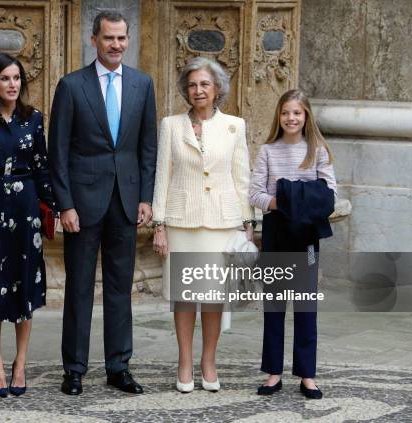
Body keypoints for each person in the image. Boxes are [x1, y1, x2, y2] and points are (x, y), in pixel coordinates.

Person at [48, 11, 157, 395]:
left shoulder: (143, 84)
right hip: (82, 202)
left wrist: (146, 196)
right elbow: (57, 151)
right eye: (109, 38)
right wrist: (64, 204)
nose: (116, 45)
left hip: (126, 201)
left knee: (119, 287)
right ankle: (74, 369)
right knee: (78, 287)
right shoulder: (72, 86)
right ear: (94, 39)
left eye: (122, 38)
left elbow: (147, 147)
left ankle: (118, 367)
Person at [151, 57, 255, 393]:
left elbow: (242, 178)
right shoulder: (171, 125)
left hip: (222, 223)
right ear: (186, 89)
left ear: (218, 89)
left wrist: (248, 222)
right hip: (182, 222)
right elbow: (162, 177)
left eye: (205, 84)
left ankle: (208, 362)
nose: (198, 90)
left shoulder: (234, 126)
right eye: (193, 85)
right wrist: (159, 224)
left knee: (213, 297)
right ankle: (184, 362)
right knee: (184, 297)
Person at [0, 52, 56, 398]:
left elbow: (42, 164)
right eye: (5, 78)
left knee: (24, 284)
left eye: (17, 78)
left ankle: (20, 363)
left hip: (26, 207)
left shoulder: (33, 118)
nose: (12, 84)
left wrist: (57, 207)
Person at [249, 89, 337, 399]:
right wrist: (288, 200)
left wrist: (291, 196)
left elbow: (328, 196)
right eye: (286, 112)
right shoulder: (268, 151)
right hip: (276, 234)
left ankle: (307, 375)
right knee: (274, 307)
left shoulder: (318, 151)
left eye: (297, 113)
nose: (291, 118)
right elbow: (255, 194)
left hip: (306, 237)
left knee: (305, 308)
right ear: (279, 116)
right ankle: (273, 372)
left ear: (306, 116)